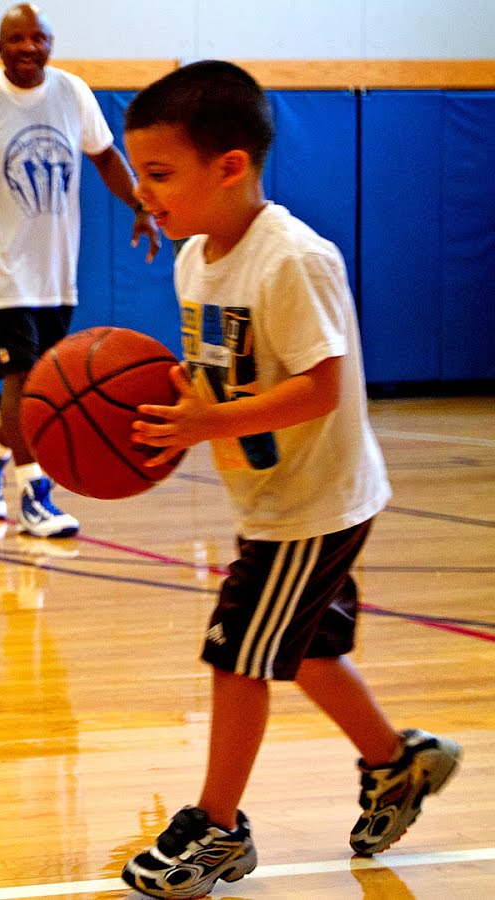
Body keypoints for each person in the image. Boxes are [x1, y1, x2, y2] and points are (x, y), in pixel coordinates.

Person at [119, 60, 461, 898]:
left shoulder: (294, 260)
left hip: (316, 503)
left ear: (230, 165)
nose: (145, 194)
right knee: (303, 649)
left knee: (238, 654)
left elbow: (320, 387)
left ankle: (219, 829)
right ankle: (398, 763)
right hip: (274, 494)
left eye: (160, 175)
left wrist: (207, 424)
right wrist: (180, 419)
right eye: (140, 177)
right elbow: (225, 375)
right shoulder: (195, 259)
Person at [0, 3, 159, 538]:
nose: (27, 48)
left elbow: (107, 157)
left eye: (37, 38)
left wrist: (141, 205)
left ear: (50, 42)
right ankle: (35, 496)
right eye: (16, 39)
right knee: (23, 377)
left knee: (41, 386)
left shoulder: (72, 93)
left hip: (54, 269)